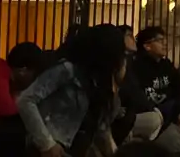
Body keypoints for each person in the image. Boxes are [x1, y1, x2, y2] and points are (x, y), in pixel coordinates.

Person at [16, 23, 129, 157]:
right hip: (49, 148)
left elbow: (102, 131)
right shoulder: (67, 70)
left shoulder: (100, 84)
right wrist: (47, 144)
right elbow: (26, 100)